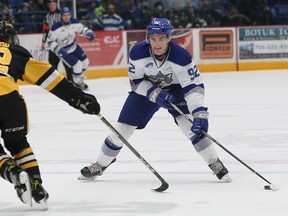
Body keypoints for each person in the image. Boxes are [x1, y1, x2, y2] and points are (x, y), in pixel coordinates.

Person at [79, 18, 231, 183]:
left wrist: (199, 112)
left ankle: (214, 162)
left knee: (190, 127)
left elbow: (193, 87)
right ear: (148, 37)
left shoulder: (181, 57)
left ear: (169, 38)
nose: (157, 43)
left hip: (177, 91)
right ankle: (100, 164)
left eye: (161, 38)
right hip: (147, 90)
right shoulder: (137, 53)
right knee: (121, 130)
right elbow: (136, 82)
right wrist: (154, 93)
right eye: (153, 38)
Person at [0, 20, 100, 209]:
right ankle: (36, 186)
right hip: (11, 101)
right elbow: (48, 77)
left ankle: (12, 172)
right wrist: (77, 98)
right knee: (18, 143)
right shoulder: (16, 52)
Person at [47, 7, 95, 90]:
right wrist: (58, 50)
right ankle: (77, 82)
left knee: (85, 62)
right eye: (64, 15)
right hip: (64, 51)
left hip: (74, 46)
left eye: (68, 15)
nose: (66, 17)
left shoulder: (75, 22)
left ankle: (78, 77)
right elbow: (50, 42)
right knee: (77, 66)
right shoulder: (55, 27)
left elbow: (83, 29)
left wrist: (89, 33)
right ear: (61, 16)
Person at [41, 0, 74, 83]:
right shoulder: (47, 16)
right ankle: (55, 82)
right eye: (50, 4)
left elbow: (69, 26)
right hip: (52, 43)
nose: (52, 6)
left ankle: (71, 80)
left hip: (63, 42)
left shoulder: (62, 14)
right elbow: (45, 30)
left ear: (56, 5)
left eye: (53, 4)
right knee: (52, 63)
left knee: (67, 62)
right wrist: (43, 41)